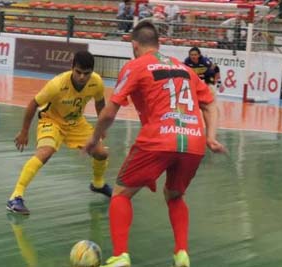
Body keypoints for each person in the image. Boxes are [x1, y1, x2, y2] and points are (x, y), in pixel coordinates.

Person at [85, 21, 227, 267]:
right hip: (193, 141)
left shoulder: (136, 66)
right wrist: (211, 136)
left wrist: (94, 138)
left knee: (120, 194)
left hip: (158, 138)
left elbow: (110, 111)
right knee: (175, 195)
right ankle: (181, 254)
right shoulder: (184, 68)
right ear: (158, 43)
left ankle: (120, 255)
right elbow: (210, 103)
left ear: (134, 45)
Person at [6, 51, 112, 215]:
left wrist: (101, 128)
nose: (82, 77)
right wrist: (24, 131)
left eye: (87, 73)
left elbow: (100, 103)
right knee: (45, 153)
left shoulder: (97, 82)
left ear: (92, 72)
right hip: (52, 121)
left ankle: (98, 184)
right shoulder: (57, 84)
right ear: (72, 68)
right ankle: (16, 196)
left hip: (76, 123)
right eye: (78, 72)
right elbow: (33, 104)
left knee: (102, 154)